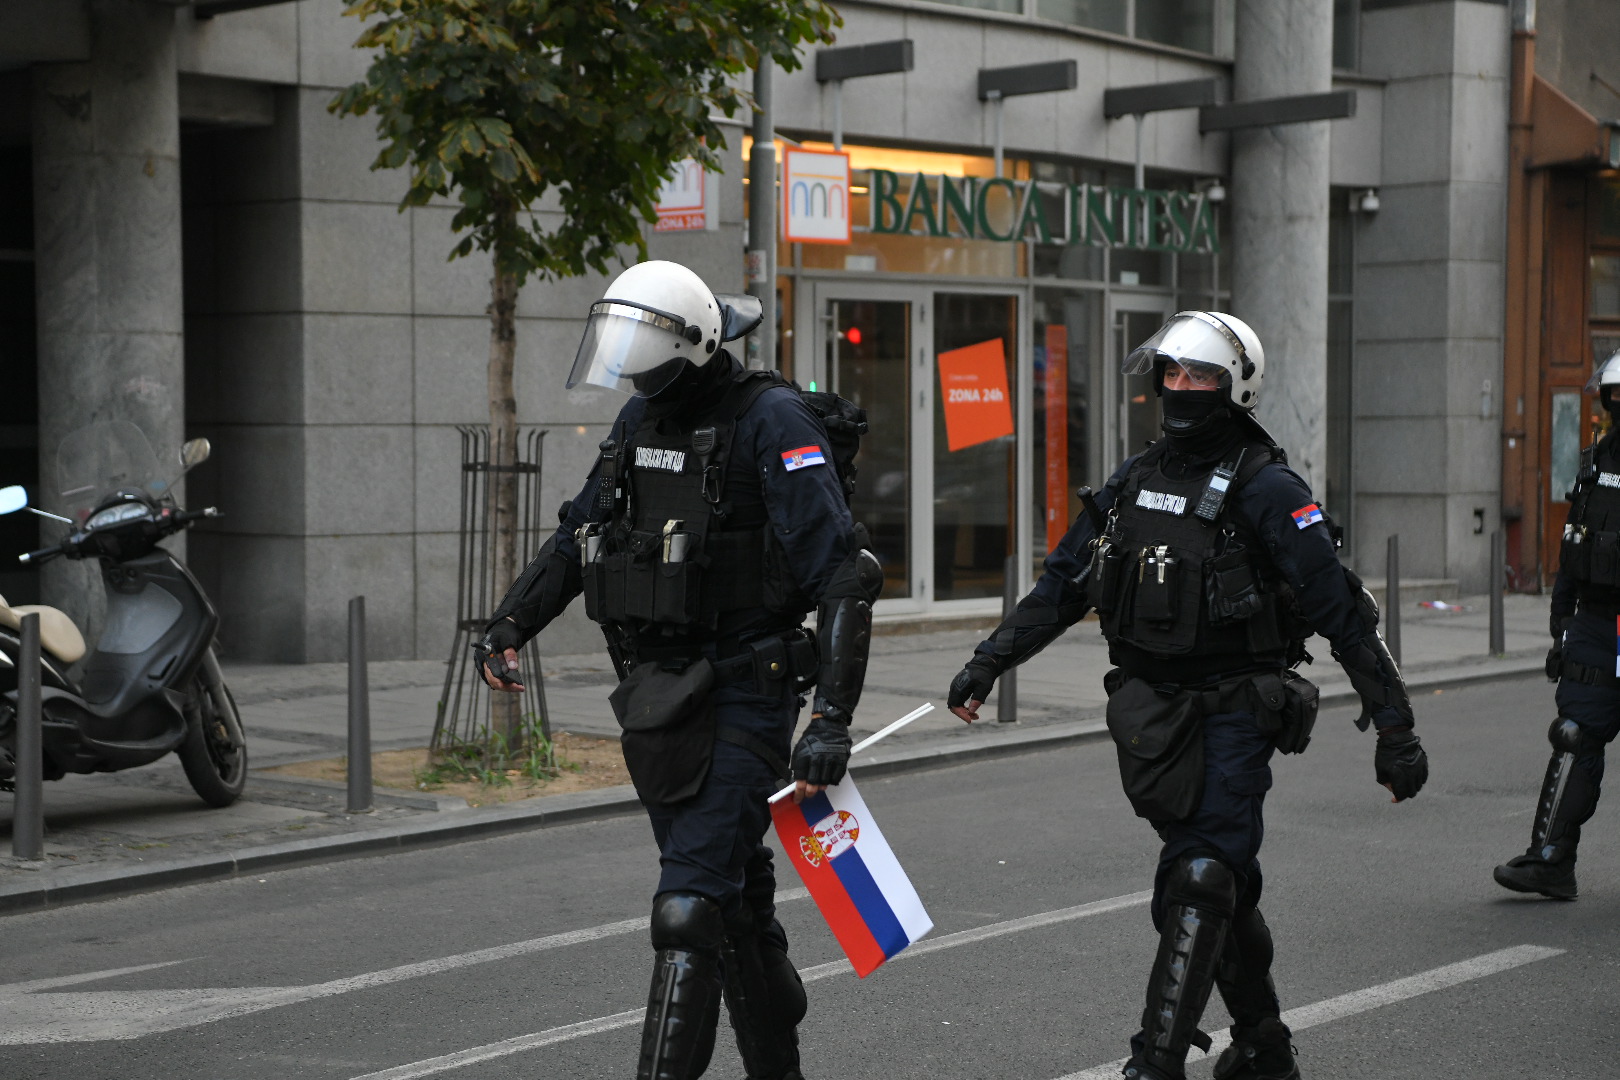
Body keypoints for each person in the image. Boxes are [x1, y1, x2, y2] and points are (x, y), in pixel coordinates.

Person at [944, 311, 1429, 1080]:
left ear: (1234, 388)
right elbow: (1063, 586)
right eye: (1170, 373)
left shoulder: (1271, 488)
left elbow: (1343, 614)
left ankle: (1156, 1061)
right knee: (1218, 883)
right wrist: (986, 664)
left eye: (1199, 375)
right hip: (1149, 718)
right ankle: (1265, 1047)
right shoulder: (1136, 478)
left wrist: (1395, 727)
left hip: (1238, 709)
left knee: (1200, 878)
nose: (1180, 388)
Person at [474, 260, 882, 1080]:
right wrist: (513, 621)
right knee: (731, 904)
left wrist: (830, 719)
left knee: (688, 907)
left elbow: (843, 572)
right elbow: (578, 533)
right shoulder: (637, 420)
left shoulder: (773, 419)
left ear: (693, 344)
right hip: (658, 698)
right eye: (619, 349)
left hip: (747, 690)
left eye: (643, 351)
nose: (630, 367)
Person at [1493, 348, 1620, 901]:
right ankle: (1549, 860)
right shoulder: (1595, 461)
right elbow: (1576, 544)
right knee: (1573, 733)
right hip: (1596, 620)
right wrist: (1560, 620)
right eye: (1618, 395)